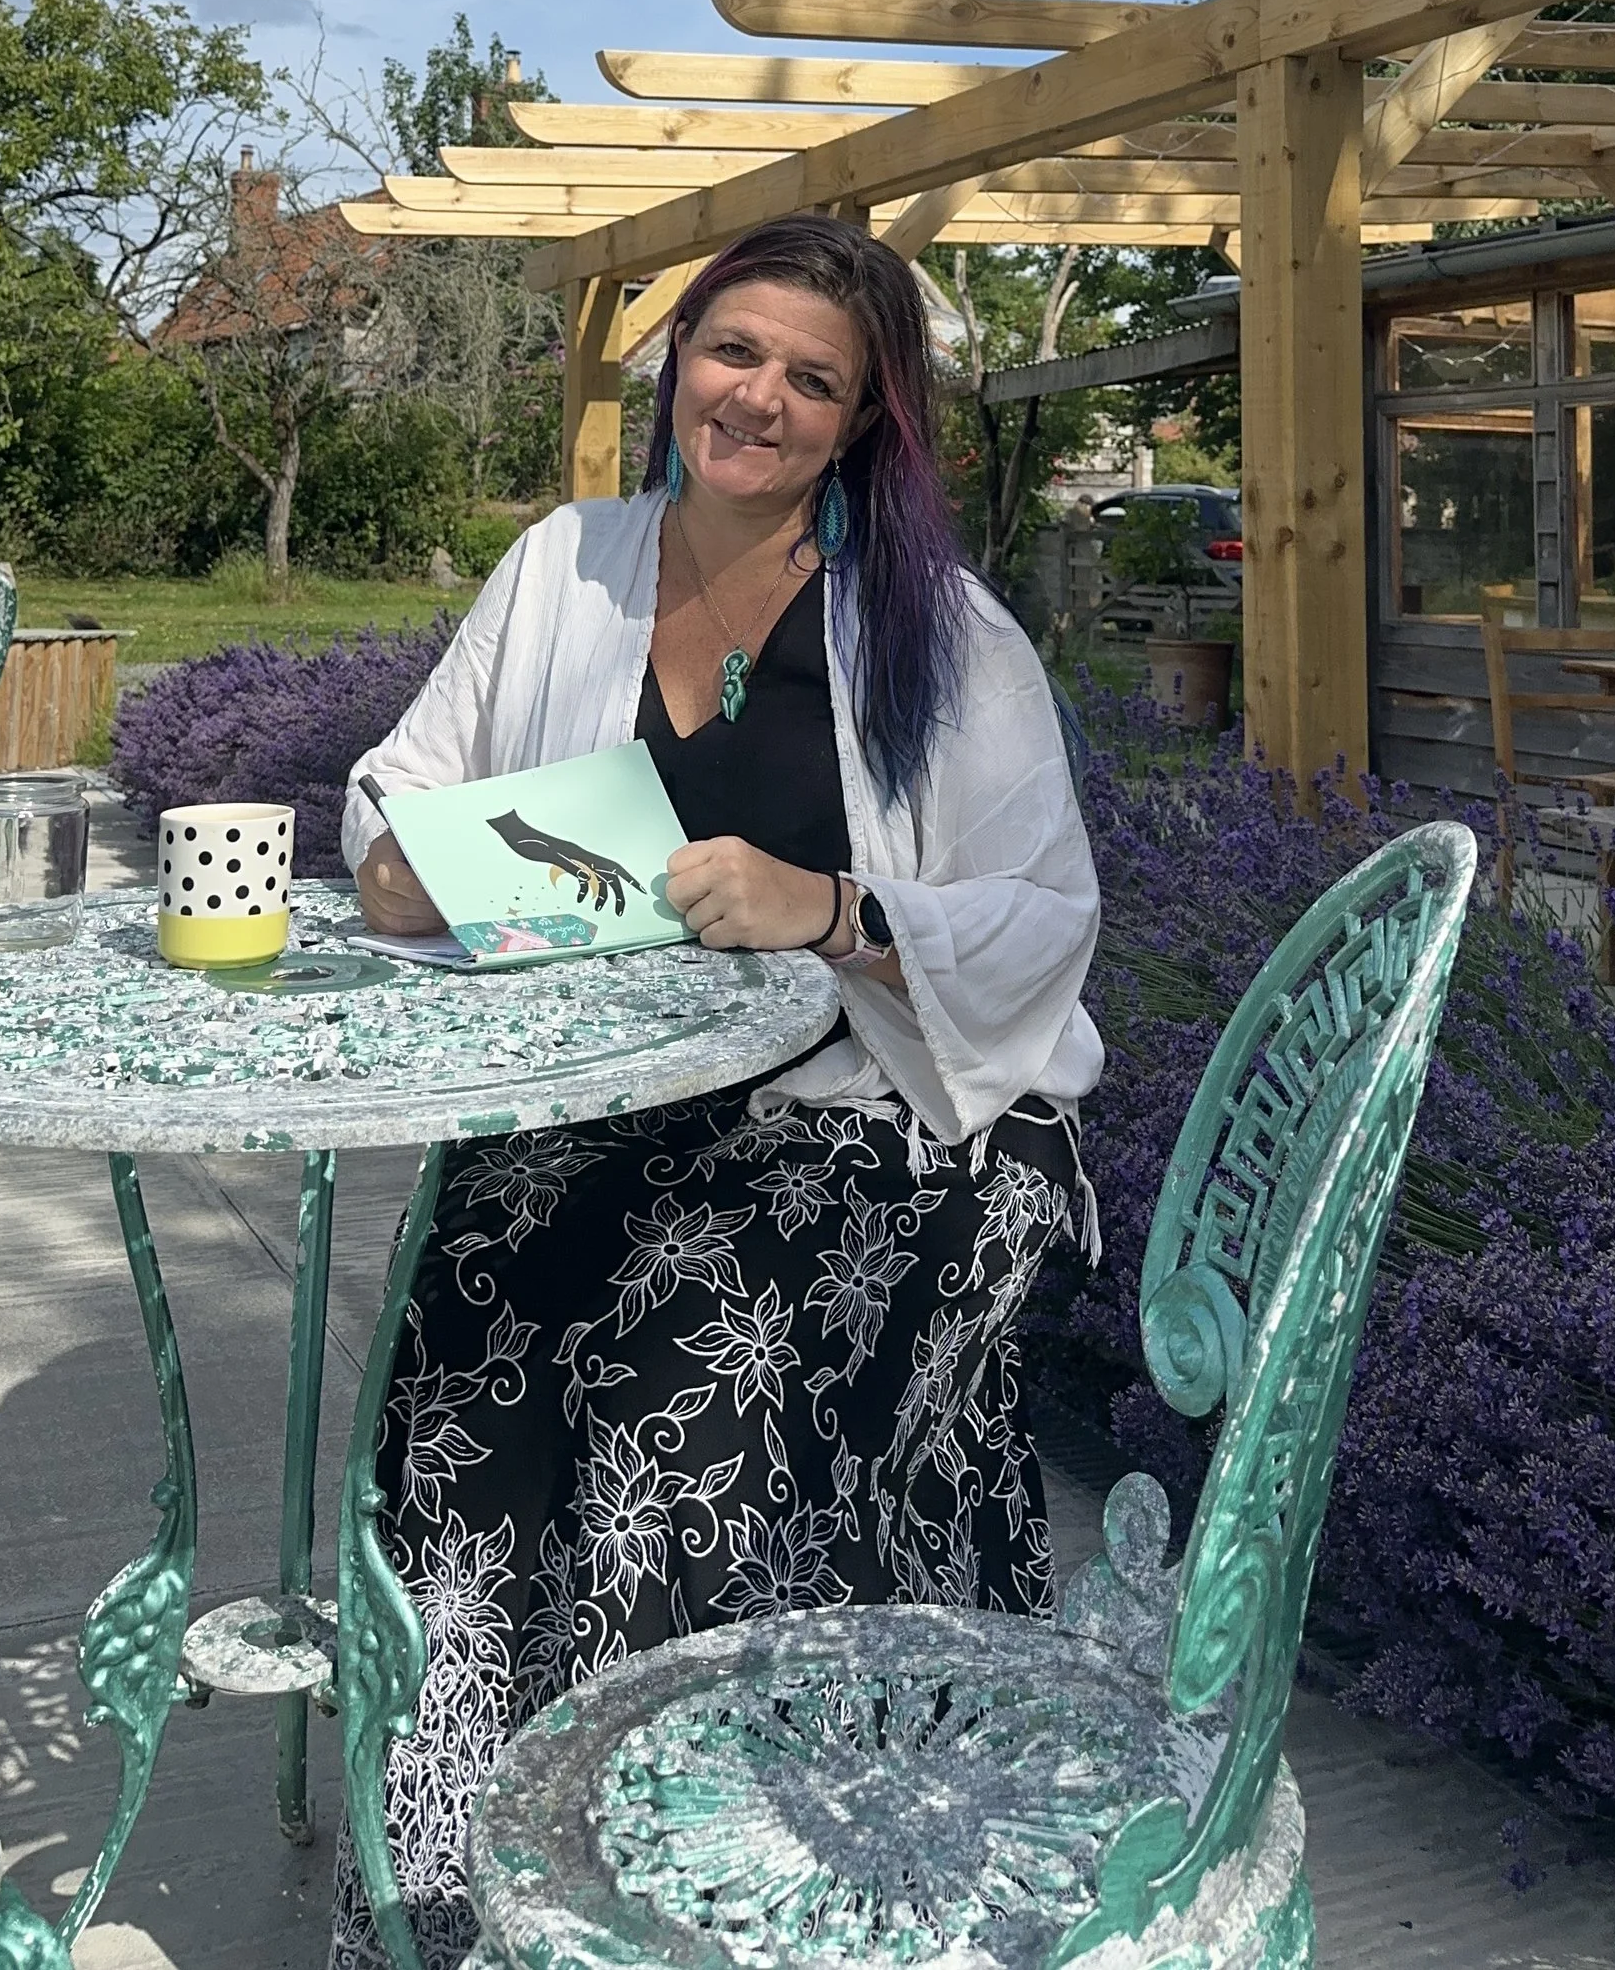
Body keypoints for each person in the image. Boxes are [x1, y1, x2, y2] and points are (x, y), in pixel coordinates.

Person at [329, 215, 1101, 1970]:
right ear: (675, 357)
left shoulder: (940, 636)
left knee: (674, 1343)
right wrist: (398, 861)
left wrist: (828, 908)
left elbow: (1045, 916)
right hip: (611, 1099)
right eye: (731, 350)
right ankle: (468, 1851)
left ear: (862, 421)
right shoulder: (564, 566)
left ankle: (719, 1858)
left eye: (810, 378)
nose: (755, 397)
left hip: (884, 1114)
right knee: (470, 1291)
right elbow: (403, 779)